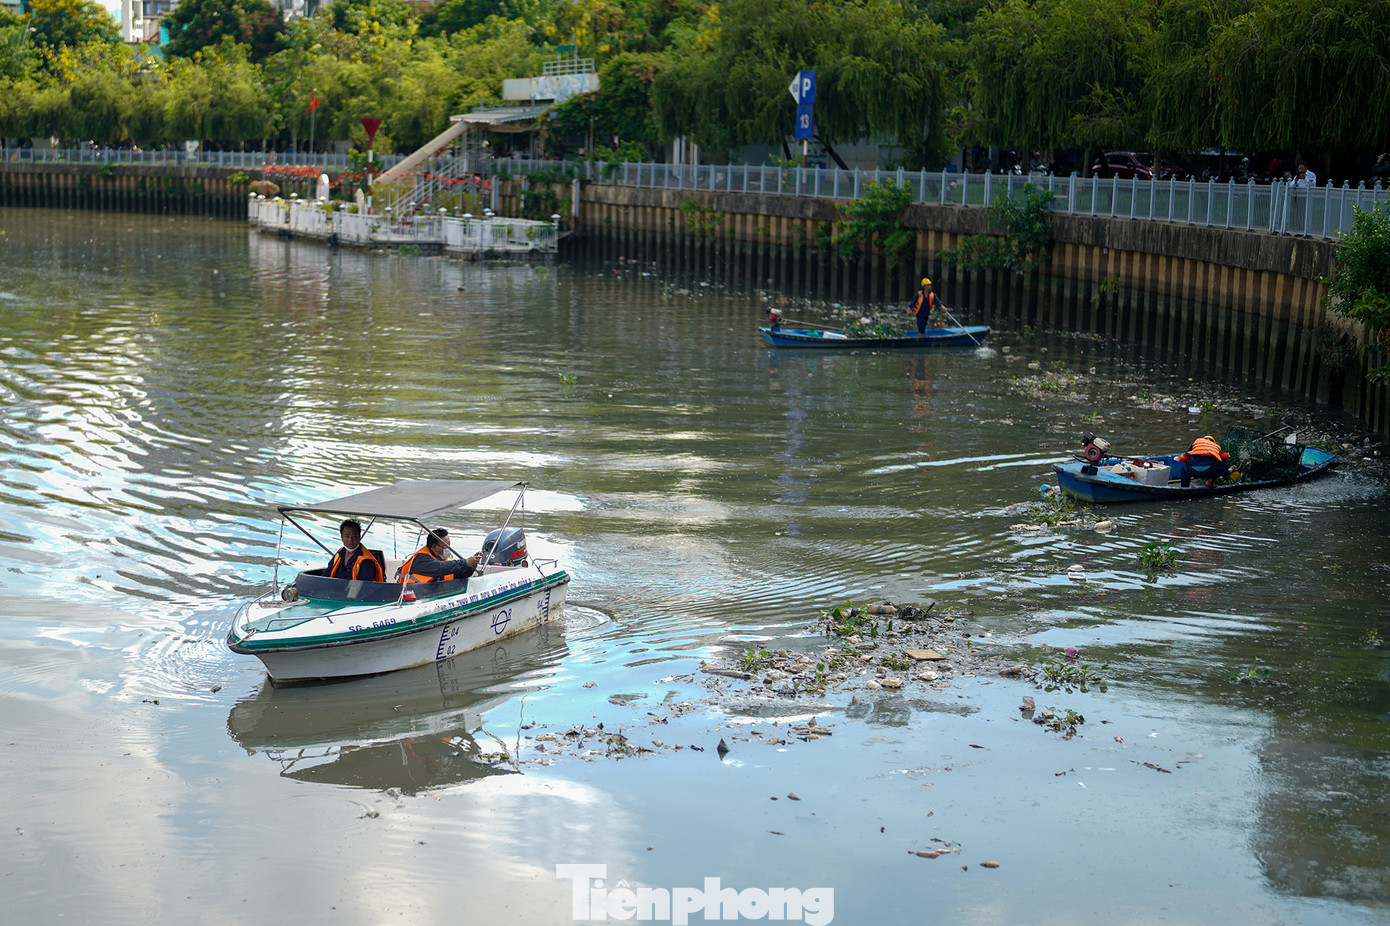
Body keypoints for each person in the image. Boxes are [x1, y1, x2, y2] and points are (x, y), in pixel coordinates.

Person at [397, 528, 480, 585]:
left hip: (435, 593)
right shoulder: (422, 559)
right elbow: (439, 567)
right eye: (445, 547)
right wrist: (465, 562)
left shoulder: (443, 559)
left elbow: (459, 575)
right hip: (411, 596)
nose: (448, 550)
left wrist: (472, 564)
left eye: (449, 546)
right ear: (434, 547)